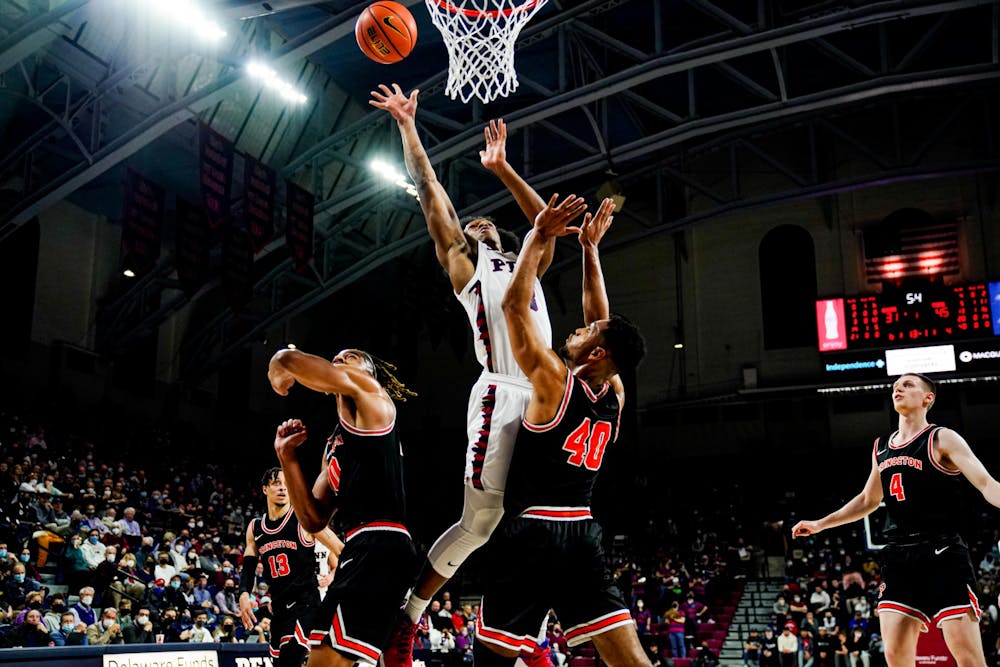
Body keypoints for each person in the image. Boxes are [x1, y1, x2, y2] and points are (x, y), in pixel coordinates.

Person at [370, 84, 568, 667]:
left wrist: (504, 168)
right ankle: (408, 617)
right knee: (479, 523)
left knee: (549, 524)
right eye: (470, 221)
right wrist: (408, 125)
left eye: (485, 221)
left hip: (547, 395)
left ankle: (525, 634)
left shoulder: (528, 257)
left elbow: (546, 225)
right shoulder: (465, 262)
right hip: (501, 393)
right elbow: (432, 193)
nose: (476, 222)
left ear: (502, 235)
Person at [474, 195, 648, 667]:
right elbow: (601, 321)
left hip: (534, 532)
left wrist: (537, 236)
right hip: (583, 535)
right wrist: (590, 250)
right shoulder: (614, 395)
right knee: (628, 657)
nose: (576, 331)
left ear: (596, 355)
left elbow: (513, 307)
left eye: (585, 336)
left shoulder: (553, 381)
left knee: (489, 655)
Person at [792, 373, 1000, 667]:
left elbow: (986, 484)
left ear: (929, 398)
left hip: (943, 553)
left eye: (908, 384)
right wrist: (820, 523)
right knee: (895, 656)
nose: (898, 388)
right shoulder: (882, 447)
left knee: (968, 657)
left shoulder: (941, 437)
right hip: (898, 557)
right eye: (895, 386)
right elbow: (868, 500)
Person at [267, 345, 419, 667]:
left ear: (369, 373)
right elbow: (312, 519)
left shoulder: (374, 398)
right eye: (336, 358)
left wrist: (281, 362)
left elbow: (292, 362)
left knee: (326, 661)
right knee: (325, 656)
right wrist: (287, 457)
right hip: (360, 547)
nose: (339, 360)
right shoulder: (336, 443)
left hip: (381, 541)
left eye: (350, 357)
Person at [238, 468, 342, 667]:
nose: (283, 488)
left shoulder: (304, 519)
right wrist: (243, 594)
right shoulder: (255, 528)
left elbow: (340, 550)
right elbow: (249, 566)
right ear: (265, 489)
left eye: (286, 484)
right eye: (276, 483)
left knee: (290, 659)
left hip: (306, 604)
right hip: (278, 609)